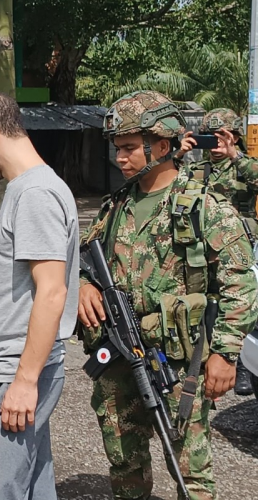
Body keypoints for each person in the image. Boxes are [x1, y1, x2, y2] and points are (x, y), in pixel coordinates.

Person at [78, 91, 258, 500]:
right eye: (117, 148)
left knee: (190, 472)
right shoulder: (115, 206)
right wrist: (83, 287)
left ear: (162, 145)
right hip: (119, 356)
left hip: (179, 364)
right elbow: (85, 257)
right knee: (124, 463)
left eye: (128, 148)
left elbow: (240, 285)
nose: (119, 158)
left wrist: (225, 354)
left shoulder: (205, 208)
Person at [0, 89, 78, 499]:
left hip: (14, 371)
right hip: (19, 369)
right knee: (33, 489)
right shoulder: (27, 190)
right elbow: (3, 276)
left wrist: (23, 381)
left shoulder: (35, 194)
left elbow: (52, 293)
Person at [177, 108, 258, 396]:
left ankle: (244, 367)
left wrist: (236, 155)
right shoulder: (196, 169)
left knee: (237, 304)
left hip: (239, 248)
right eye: (208, 138)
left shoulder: (244, 165)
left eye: (221, 136)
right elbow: (169, 186)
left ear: (234, 135)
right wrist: (176, 155)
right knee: (206, 305)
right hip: (203, 248)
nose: (215, 144)